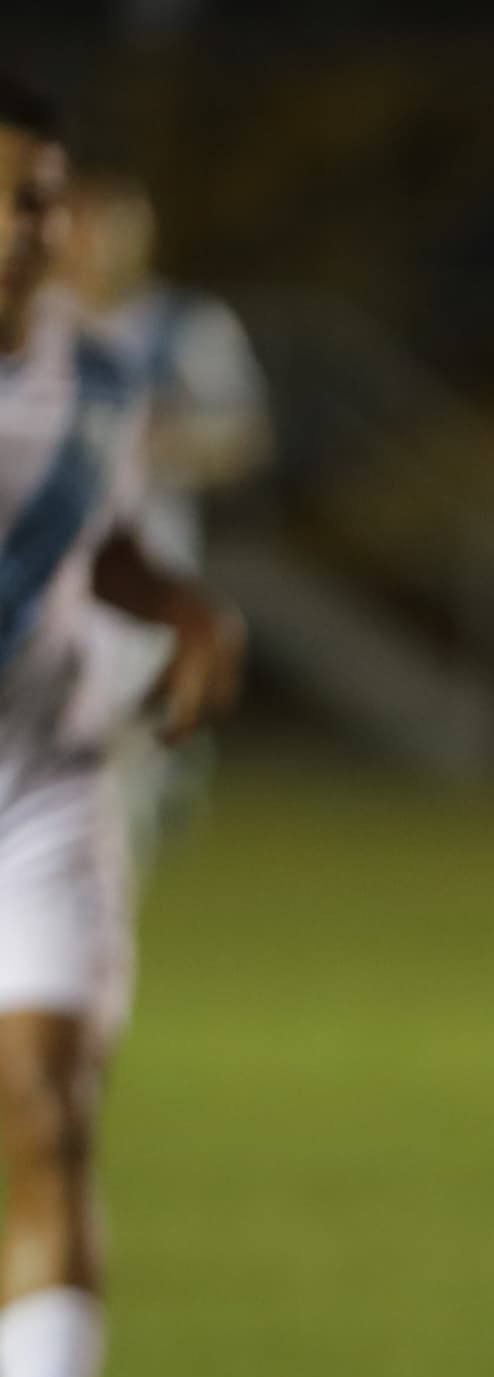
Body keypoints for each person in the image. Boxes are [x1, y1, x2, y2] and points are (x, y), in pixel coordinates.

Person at [0, 80, 245, 1377]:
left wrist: (190, 616)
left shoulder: (96, 382)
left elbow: (113, 546)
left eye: (42, 198)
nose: (32, 227)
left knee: (49, 1105)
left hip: (43, 782)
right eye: (9, 197)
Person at [57, 166, 266, 879]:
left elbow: (241, 437)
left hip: (140, 577)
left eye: (117, 227)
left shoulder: (185, 326)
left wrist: (156, 443)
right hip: (38, 572)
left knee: (113, 772)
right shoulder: (32, 322)